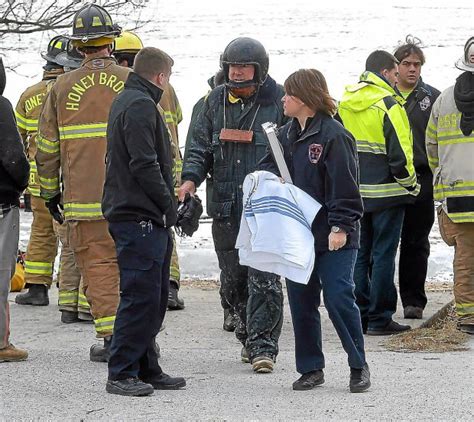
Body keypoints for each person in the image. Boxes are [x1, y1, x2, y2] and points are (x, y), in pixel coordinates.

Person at [180, 37, 287, 373]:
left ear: (260, 68)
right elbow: (197, 149)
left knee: (265, 278)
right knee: (234, 278)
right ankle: (245, 331)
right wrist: (189, 180)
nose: (237, 72)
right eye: (232, 66)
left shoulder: (280, 102)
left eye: (244, 66)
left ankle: (263, 347)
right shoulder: (212, 103)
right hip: (225, 206)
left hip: (266, 207)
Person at [259, 68, 369, 392]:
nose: (283, 99)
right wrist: (271, 179)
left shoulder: (335, 136)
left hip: (335, 234)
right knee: (302, 302)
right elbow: (267, 165)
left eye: (289, 94)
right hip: (298, 235)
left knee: (338, 298)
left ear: (305, 98)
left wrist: (341, 227)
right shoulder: (284, 135)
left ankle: (358, 364)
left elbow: (346, 188)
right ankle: (311, 368)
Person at [36, 3, 130, 360]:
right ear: (111, 42)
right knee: (132, 265)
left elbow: (46, 149)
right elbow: (160, 142)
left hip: (84, 202)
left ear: (78, 47)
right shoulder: (130, 82)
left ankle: (112, 341)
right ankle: (140, 337)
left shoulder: (60, 87)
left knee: (99, 267)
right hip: (130, 198)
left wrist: (49, 193)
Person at [102, 47, 185, 396]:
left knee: (153, 295)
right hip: (138, 215)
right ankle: (121, 371)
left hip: (142, 213)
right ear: (161, 77)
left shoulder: (132, 100)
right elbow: (144, 164)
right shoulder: (138, 105)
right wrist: (169, 206)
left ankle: (147, 366)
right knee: (140, 296)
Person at [338, 50, 419, 335]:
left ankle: (359, 315)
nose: (398, 79)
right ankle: (381, 318)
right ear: (385, 73)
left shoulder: (345, 101)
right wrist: (412, 185)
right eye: (396, 73)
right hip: (388, 194)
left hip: (354, 193)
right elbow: (400, 155)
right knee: (384, 255)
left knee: (359, 255)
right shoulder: (388, 105)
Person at [14, 36, 90, 323]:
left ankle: (36, 286)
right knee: (75, 240)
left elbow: (17, 143)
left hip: (37, 182)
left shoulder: (28, 95)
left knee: (41, 232)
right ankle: (80, 298)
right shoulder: (73, 91)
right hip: (67, 181)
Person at [113, 30, 185, 310]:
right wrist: (170, 203)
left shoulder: (123, 95)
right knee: (161, 248)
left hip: (134, 189)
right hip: (155, 182)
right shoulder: (149, 97)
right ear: (160, 76)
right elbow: (175, 122)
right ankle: (171, 287)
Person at [183, 69, 239, 332]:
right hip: (223, 198)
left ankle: (251, 318)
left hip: (252, 198)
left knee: (257, 264)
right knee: (229, 263)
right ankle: (231, 309)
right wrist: (190, 180)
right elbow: (197, 149)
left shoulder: (266, 103)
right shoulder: (207, 106)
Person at [426, 37, 474, 335]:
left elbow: (431, 147)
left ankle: (468, 316)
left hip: (456, 196)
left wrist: (443, 185)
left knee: (465, 259)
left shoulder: (443, 99)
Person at [393, 37, 441, 319]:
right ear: (395, 66)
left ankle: (413, 301)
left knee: (416, 242)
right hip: (388, 178)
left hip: (422, 176)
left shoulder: (432, 97)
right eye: (407, 63)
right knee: (382, 244)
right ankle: (380, 302)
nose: (412, 69)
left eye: (417, 64)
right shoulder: (383, 95)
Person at [0, 57, 30, 362]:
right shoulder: (0, 106)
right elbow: (13, 157)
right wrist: (21, 182)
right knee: (0, 273)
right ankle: (0, 343)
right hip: (1, 205)